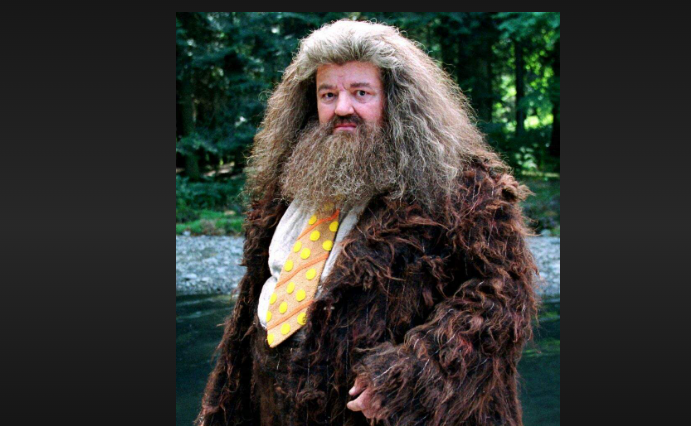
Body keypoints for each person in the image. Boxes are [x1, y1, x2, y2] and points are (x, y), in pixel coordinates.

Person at [197, 19, 538, 426]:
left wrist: (408, 380)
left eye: (361, 93)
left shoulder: (465, 188)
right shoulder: (287, 189)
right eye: (328, 94)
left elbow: (502, 300)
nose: (342, 107)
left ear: (396, 99)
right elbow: (248, 320)